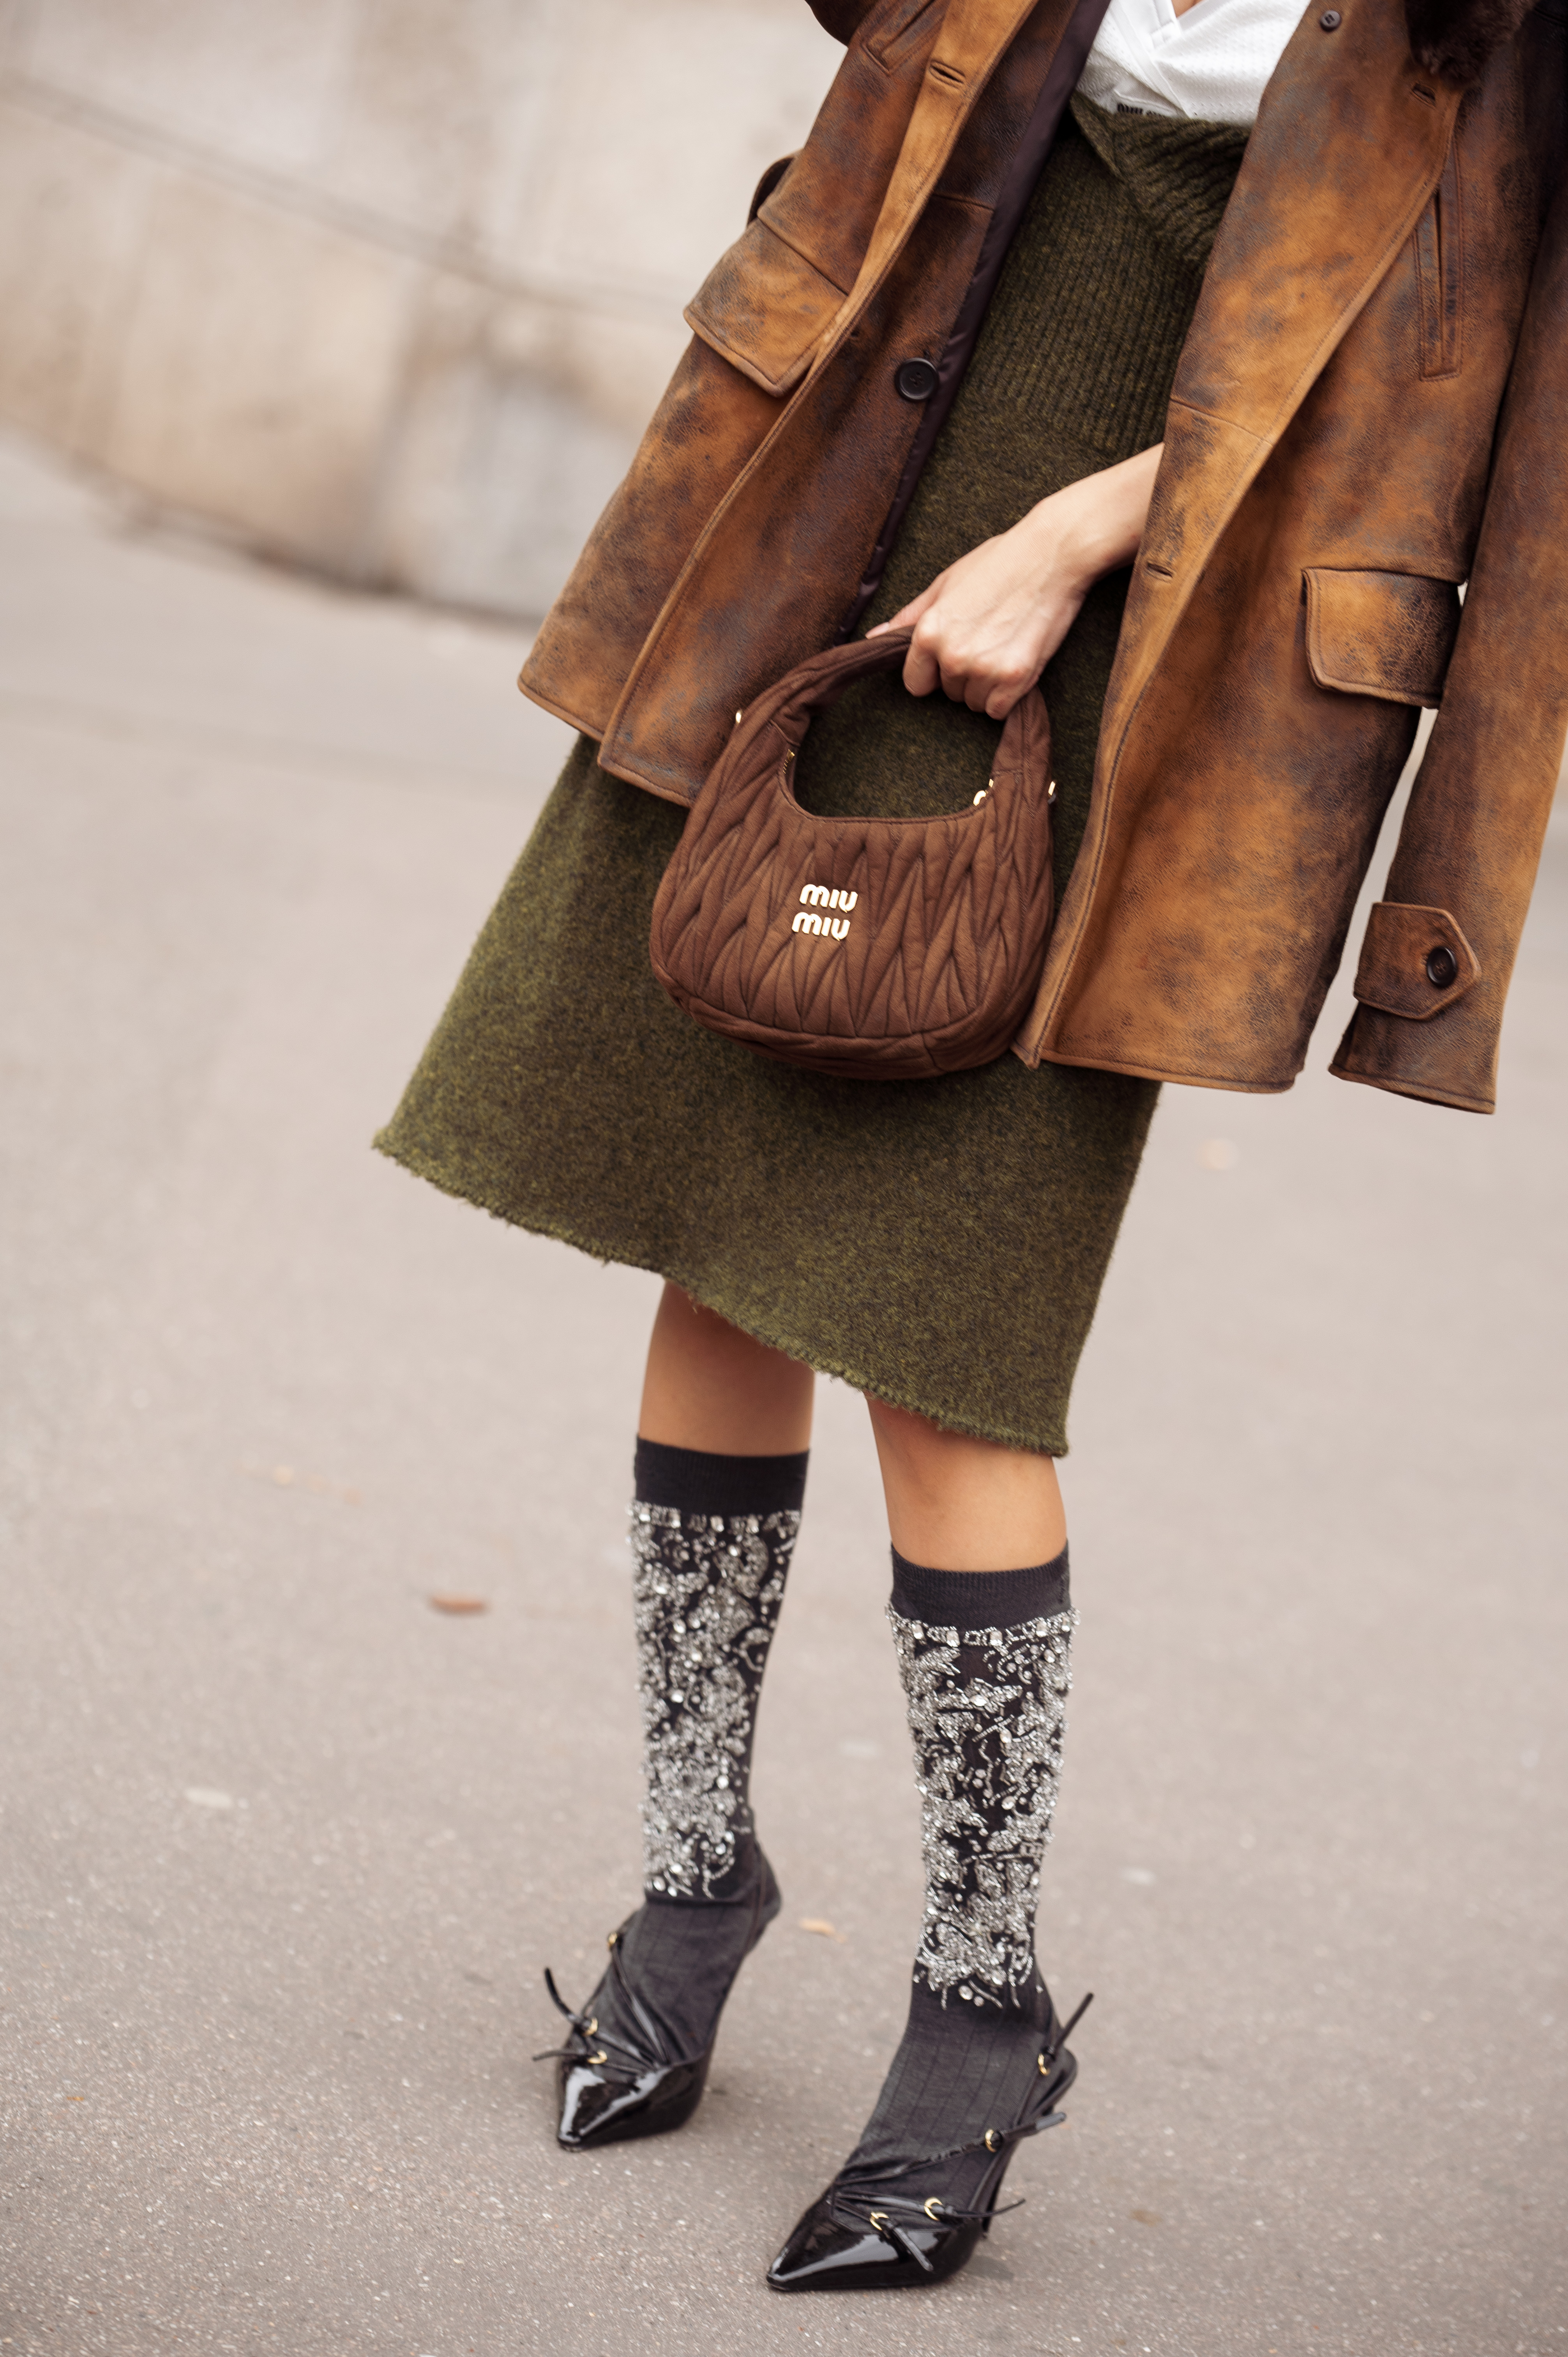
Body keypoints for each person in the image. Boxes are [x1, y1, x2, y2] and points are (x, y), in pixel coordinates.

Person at [377, 0, 1566, 2296]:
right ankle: (691, 1867)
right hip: (845, 496)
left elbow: (1489, 361)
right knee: (709, 1234)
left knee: (946, 1338)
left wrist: (1083, 527)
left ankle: (980, 1995)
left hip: (1173, 619)